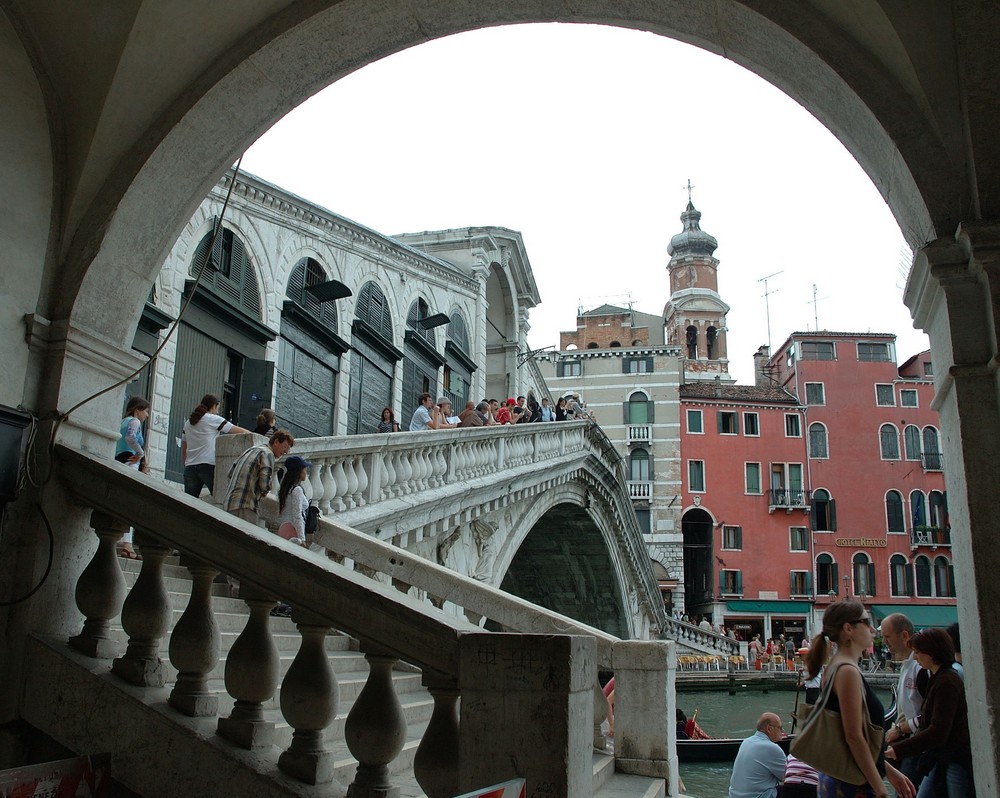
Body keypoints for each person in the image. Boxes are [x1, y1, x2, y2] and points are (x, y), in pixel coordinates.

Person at [802, 600, 914, 798]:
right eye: (866, 622)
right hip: (851, 786)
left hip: (839, 779)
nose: (872, 629)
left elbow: (845, 736)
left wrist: (888, 770)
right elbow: (853, 737)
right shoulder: (847, 672)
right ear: (848, 629)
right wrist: (880, 788)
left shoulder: (836, 668)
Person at [886, 628, 975, 797]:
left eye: (919, 652)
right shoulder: (940, 678)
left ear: (932, 654)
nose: (916, 657)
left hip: (952, 758)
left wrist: (900, 749)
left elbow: (938, 730)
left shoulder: (946, 682)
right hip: (941, 757)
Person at [880, 613, 925, 787]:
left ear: (904, 635)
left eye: (887, 637)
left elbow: (927, 714)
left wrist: (899, 728)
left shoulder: (920, 667)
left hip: (916, 745)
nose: (884, 642)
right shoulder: (908, 665)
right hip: (907, 744)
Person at [181, 394, 250, 497]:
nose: (217, 411)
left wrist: (186, 463)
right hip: (208, 465)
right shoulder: (213, 419)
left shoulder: (188, 423)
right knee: (220, 498)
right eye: (217, 408)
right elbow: (240, 431)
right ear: (213, 406)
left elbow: (184, 447)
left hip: (190, 467)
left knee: (189, 503)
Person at [223, 429, 295, 524]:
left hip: (230, 503)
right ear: (276, 442)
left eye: (288, 449)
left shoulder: (252, 449)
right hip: (246, 506)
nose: (286, 452)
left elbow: (230, 473)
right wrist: (267, 489)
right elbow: (265, 485)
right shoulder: (268, 454)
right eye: (285, 447)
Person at [115, 396, 151, 559]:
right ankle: (127, 545)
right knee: (130, 504)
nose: (147, 415)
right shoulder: (134, 422)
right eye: (146, 411)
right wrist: (140, 453)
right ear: (137, 410)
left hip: (118, 460)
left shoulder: (121, 421)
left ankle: (125, 544)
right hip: (130, 462)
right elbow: (130, 438)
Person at [728, 712, 787, 798]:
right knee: (796, 788)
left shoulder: (746, 742)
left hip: (734, 795)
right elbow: (787, 777)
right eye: (780, 727)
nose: (782, 731)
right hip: (758, 796)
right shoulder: (772, 748)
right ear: (769, 728)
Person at [276, 455, 311, 546]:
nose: (305, 472)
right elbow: (297, 515)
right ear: (299, 472)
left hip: (284, 527)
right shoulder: (297, 490)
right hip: (292, 530)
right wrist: (302, 538)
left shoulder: (286, 488)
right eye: (304, 469)